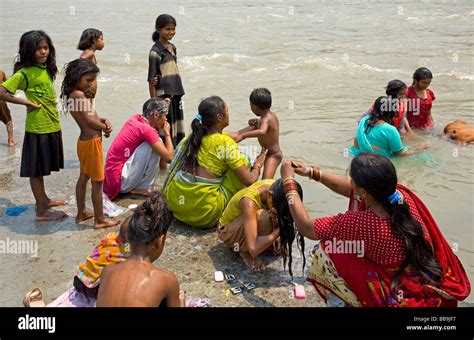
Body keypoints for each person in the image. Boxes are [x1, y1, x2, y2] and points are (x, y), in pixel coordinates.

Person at [278, 155, 471, 307]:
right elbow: (353, 191)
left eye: (352, 179)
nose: (350, 182)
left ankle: (356, 300)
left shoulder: (364, 223)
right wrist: (312, 172)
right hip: (421, 274)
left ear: (365, 191)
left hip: (400, 291)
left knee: (325, 250)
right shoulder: (400, 196)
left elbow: (305, 227)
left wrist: (289, 183)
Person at [163, 96, 266, 228]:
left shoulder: (193, 137)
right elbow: (250, 180)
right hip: (203, 214)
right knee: (243, 161)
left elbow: (237, 136)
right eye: (227, 111)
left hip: (177, 206)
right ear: (219, 117)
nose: (229, 114)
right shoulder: (225, 143)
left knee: (229, 161)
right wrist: (258, 164)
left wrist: (252, 126)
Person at [0, 30, 67, 221]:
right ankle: (41, 210)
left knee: (42, 166)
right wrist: (26, 103)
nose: (43, 52)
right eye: (38, 49)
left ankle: (44, 199)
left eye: (46, 48)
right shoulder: (25, 73)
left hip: (51, 125)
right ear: (28, 51)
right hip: (37, 128)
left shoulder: (45, 68)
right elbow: (1, 92)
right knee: (36, 171)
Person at [96, 191, 185, 307]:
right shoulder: (166, 280)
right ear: (160, 241)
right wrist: (181, 301)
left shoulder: (107, 271)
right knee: (177, 296)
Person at [61, 58, 120, 228]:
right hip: (92, 143)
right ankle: (100, 219)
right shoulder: (79, 95)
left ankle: (82, 212)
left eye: (93, 80)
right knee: (98, 181)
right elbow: (90, 120)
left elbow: (89, 117)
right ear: (76, 77)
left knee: (84, 177)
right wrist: (105, 128)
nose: (91, 84)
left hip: (84, 142)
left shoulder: (73, 95)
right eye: (88, 80)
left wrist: (102, 120)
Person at [217, 178, 302, 272]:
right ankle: (244, 251)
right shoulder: (249, 201)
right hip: (227, 231)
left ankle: (262, 242)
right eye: (276, 210)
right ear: (270, 195)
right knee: (264, 217)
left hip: (246, 222)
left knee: (277, 216)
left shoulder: (275, 187)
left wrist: (279, 240)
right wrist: (277, 232)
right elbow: (254, 249)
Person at [103, 98, 174, 200]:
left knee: (155, 143)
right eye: (165, 116)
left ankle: (139, 186)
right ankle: (144, 187)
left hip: (113, 179)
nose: (166, 119)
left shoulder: (135, 119)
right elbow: (169, 157)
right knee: (156, 143)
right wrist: (167, 133)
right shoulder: (147, 130)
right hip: (120, 183)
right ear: (156, 115)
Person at [148, 14, 185, 170]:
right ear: (158, 29)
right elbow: (151, 79)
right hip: (164, 98)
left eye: (173, 29)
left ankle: (173, 167)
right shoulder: (156, 51)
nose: (171, 32)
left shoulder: (172, 47)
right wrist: (155, 102)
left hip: (176, 94)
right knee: (164, 133)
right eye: (168, 29)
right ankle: (163, 169)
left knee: (177, 131)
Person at [350, 96, 429, 157]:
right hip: (379, 160)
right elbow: (399, 154)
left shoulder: (364, 122)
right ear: (391, 112)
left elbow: (356, 140)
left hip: (359, 156)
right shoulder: (390, 129)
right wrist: (418, 149)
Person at [230, 88, 282, 179]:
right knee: (262, 179)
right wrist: (255, 121)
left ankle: (272, 192)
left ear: (254, 107)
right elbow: (266, 126)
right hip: (266, 153)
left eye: (250, 105)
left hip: (273, 155)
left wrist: (243, 135)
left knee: (266, 181)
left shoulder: (266, 119)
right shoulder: (268, 116)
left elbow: (262, 132)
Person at [0, 69, 16, 146]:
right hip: (1, 103)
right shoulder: (1, 72)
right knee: (9, 122)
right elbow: (9, 85)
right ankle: (10, 141)